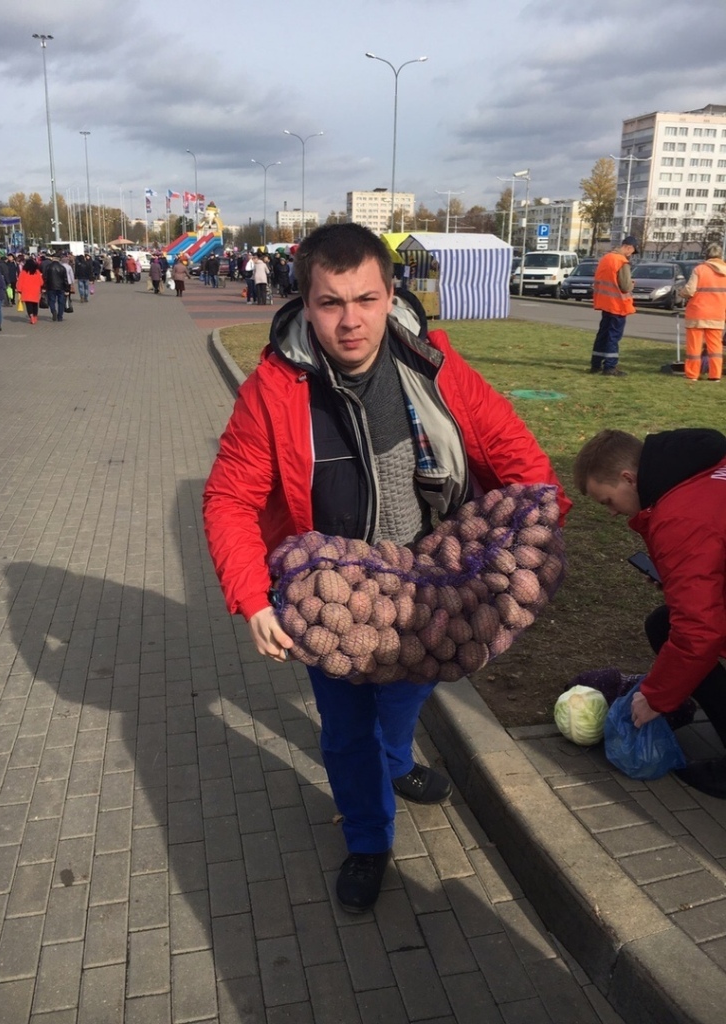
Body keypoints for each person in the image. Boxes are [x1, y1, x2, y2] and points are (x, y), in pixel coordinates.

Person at [202, 223, 571, 913]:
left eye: (366, 300)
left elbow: (512, 450)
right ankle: (368, 838)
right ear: (305, 303)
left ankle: (396, 763)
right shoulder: (273, 388)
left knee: (404, 699)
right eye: (331, 302)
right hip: (331, 589)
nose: (351, 321)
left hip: (428, 583)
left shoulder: (433, 364)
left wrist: (539, 526)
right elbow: (229, 498)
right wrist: (251, 597)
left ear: (391, 294)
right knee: (346, 730)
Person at [573, 427, 726, 798]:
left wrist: (656, 697)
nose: (612, 513)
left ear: (629, 478)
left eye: (608, 501)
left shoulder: (677, 519)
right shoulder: (704, 469)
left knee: (673, 629)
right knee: (665, 621)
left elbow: (698, 632)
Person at [589, 236, 638, 377]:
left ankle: (596, 364)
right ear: (628, 247)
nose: (631, 255)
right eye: (632, 252)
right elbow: (625, 286)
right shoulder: (622, 261)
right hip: (618, 305)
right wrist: (632, 284)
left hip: (605, 303)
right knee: (613, 336)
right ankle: (610, 366)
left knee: (603, 334)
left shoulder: (606, 258)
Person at [679, 243, 726, 382]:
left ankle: (692, 374)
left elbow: (690, 290)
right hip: (717, 314)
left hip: (697, 313)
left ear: (707, 255)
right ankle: (715, 375)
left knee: (694, 346)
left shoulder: (700, 269)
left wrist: (682, 293)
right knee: (716, 347)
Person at [16, 257, 45, 324]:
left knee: (28, 305)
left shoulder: (23, 272)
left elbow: (20, 282)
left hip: (26, 291)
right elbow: (41, 282)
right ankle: (35, 316)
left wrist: (19, 290)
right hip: (35, 291)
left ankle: (31, 317)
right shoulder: (37, 272)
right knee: (35, 304)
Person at [43, 254, 69, 321]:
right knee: (61, 302)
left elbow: (45, 278)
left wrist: (44, 287)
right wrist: (67, 289)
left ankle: (53, 311)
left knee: (51, 301)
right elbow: (65, 279)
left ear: (52, 258)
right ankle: (60, 316)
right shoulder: (62, 268)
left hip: (51, 286)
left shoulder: (48, 267)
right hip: (61, 287)